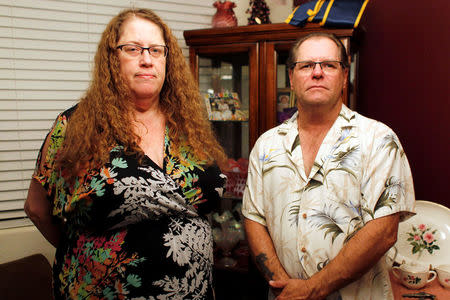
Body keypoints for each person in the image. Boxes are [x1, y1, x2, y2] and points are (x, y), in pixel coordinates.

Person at [24, 8, 227, 299]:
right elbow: (36, 208)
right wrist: (89, 256)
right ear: (112, 57)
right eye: (132, 49)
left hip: (192, 289)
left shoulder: (188, 123)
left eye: (156, 50)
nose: (146, 59)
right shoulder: (75, 126)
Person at [242, 32, 415, 300]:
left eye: (329, 65)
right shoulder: (266, 145)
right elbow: (254, 218)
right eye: (307, 65)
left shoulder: (378, 140)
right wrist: (284, 286)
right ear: (291, 77)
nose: (317, 73)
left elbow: (383, 232)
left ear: (344, 76)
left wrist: (311, 290)